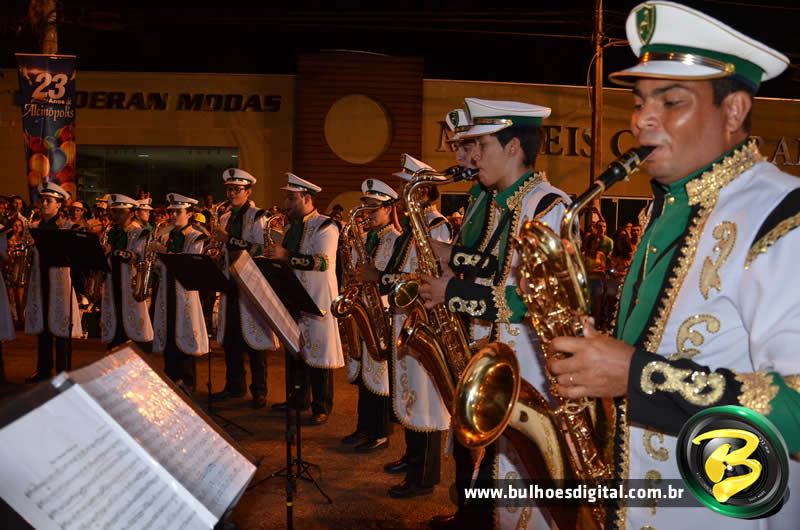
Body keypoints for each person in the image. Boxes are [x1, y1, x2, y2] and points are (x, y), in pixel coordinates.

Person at [548, 3, 800, 529]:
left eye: (672, 101)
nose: (642, 119)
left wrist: (633, 375)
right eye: (640, 101)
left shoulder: (781, 214)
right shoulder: (668, 207)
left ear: (733, 111)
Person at [420, 98, 572, 530]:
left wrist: (453, 291)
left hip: (530, 365)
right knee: (494, 462)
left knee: (523, 478)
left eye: (481, 145)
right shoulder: (505, 203)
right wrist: (455, 264)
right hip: (497, 349)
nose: (472, 157)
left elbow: (536, 301)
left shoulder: (548, 208)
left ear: (513, 147)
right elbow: (495, 268)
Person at [382, 155, 452, 498]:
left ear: (423, 191)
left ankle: (423, 476)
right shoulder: (412, 227)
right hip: (405, 317)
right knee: (410, 393)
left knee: (426, 399)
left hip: (423, 320)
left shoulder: (437, 226)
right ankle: (412, 457)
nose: (399, 193)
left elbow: (430, 275)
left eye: (405, 186)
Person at [265, 172, 344, 424]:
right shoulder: (291, 227)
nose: (287, 203)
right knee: (295, 349)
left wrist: (285, 255)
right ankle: (297, 399)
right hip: (294, 294)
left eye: (292, 198)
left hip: (317, 298)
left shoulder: (326, 226)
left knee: (319, 352)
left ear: (307, 198)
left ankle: (321, 405)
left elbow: (322, 262)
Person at [339, 178, 398, 452]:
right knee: (364, 375)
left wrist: (375, 276)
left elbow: (397, 278)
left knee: (380, 375)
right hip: (362, 309)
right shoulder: (362, 239)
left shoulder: (395, 240)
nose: (368, 214)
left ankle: (380, 432)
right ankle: (363, 427)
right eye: (365, 208)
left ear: (388, 209)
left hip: (381, 313)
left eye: (373, 209)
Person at [212, 169, 277, 409]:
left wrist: (228, 240)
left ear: (248, 191)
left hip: (251, 281)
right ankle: (234, 386)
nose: (231, 194)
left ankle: (259, 390)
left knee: (255, 338)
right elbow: (224, 246)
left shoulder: (258, 216)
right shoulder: (225, 217)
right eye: (229, 189)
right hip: (229, 279)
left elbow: (260, 248)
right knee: (231, 336)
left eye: (237, 189)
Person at [24, 181, 82, 382]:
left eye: (49, 201)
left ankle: (63, 372)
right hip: (40, 280)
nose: (44, 204)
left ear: (58, 204)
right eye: (42, 200)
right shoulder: (35, 227)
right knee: (43, 326)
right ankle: (43, 370)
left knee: (61, 325)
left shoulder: (67, 227)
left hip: (59, 282)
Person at [152, 193, 209, 392]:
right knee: (168, 329)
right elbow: (160, 265)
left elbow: (190, 263)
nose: (173, 215)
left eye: (178, 212)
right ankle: (170, 374)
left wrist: (163, 252)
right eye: (172, 212)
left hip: (184, 292)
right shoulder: (167, 236)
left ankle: (187, 379)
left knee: (185, 331)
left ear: (189, 214)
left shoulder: (196, 237)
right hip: (166, 289)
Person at [100, 194, 154, 350]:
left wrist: (114, 252)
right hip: (112, 281)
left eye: (121, 212)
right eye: (114, 211)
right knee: (114, 322)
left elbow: (137, 257)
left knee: (132, 325)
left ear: (131, 213)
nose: (116, 215)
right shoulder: (110, 231)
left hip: (131, 284)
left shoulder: (140, 232)